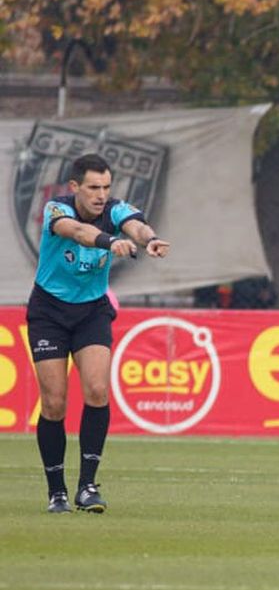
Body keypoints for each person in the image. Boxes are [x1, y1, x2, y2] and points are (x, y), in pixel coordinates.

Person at [28, 153, 171, 513]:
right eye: (93, 187)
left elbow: (136, 226)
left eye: (106, 187)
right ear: (75, 187)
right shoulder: (56, 210)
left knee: (96, 390)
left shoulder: (116, 209)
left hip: (92, 311)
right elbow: (76, 232)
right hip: (50, 312)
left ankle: (87, 486)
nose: (101, 195)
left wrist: (149, 238)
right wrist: (109, 242)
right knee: (55, 402)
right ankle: (56, 491)